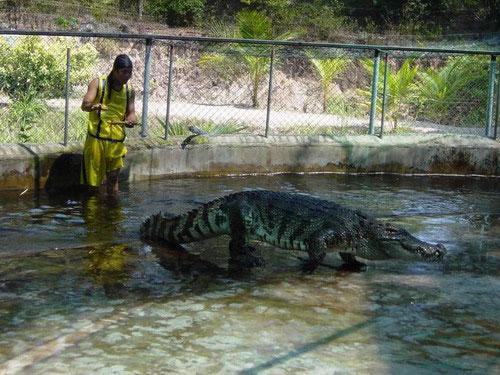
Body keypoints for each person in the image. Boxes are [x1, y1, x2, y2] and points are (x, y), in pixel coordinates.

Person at [80, 54, 137, 197]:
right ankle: (92, 215)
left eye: (130, 72)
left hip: (116, 142)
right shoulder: (98, 84)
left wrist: (131, 120)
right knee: (93, 185)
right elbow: (85, 105)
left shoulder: (129, 90)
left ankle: (112, 215)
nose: (127, 76)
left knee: (113, 180)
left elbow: (131, 112)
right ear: (115, 70)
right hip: (96, 141)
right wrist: (93, 106)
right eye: (124, 72)